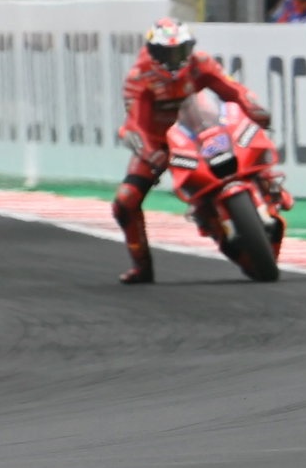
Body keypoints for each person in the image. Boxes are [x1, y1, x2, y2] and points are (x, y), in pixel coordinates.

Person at [114, 18, 281, 285]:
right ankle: (141, 266)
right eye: (166, 53)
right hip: (160, 144)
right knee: (125, 202)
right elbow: (135, 125)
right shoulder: (139, 77)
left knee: (248, 143)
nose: (173, 59)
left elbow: (232, 90)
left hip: (201, 131)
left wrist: (254, 109)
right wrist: (149, 152)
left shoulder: (200, 62)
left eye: (180, 51)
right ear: (153, 52)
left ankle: (269, 184)